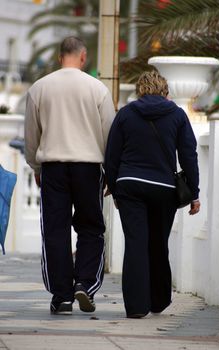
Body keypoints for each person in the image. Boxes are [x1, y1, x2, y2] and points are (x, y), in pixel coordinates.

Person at [24, 36, 115, 315]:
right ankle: (84, 284)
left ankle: (61, 296)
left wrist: (36, 167)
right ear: (83, 57)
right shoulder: (97, 89)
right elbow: (109, 133)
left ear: (59, 56)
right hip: (88, 167)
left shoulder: (39, 88)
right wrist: (110, 172)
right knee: (91, 227)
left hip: (53, 166)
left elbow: (31, 135)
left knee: (55, 230)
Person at [104, 70, 200, 319]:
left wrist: (114, 188)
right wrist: (194, 193)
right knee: (158, 243)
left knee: (135, 244)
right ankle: (158, 300)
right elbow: (189, 155)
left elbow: (112, 156)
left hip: (130, 185)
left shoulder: (126, 113)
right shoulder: (177, 115)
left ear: (140, 90)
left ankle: (136, 308)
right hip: (163, 189)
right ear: (165, 91)